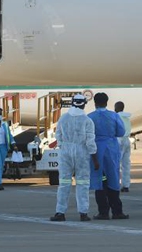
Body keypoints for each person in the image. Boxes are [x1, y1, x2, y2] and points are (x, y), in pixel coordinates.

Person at [50, 93, 99, 222]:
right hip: (82, 152)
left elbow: (58, 135)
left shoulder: (63, 118)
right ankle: (83, 213)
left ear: (72, 102)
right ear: (84, 104)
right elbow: (90, 140)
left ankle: (60, 212)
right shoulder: (88, 121)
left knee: (64, 183)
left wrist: (63, 146)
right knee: (82, 183)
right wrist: (94, 158)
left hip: (66, 151)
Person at [89, 92, 128, 219]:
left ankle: (103, 211)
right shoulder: (114, 116)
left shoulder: (90, 117)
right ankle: (117, 211)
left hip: (97, 150)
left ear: (95, 103)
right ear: (107, 102)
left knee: (99, 180)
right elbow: (121, 131)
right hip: (111, 149)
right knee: (114, 179)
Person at [115, 101, 132, 192]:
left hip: (119, 139)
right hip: (127, 140)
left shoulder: (117, 117)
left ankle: (116, 184)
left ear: (117, 108)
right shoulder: (127, 118)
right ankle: (126, 185)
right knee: (126, 164)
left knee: (116, 163)